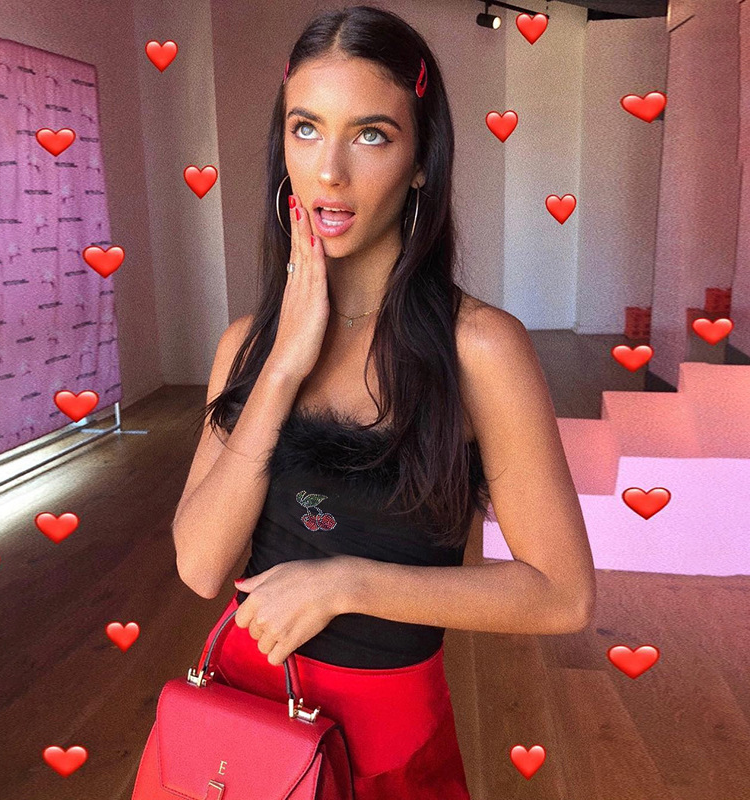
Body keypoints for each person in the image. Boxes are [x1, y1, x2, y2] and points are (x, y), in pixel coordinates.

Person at [172, 6, 596, 798]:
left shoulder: (481, 350)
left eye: (370, 135)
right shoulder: (247, 347)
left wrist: (345, 583)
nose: (329, 171)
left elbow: (562, 594)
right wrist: (282, 367)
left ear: (422, 159)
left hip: (389, 738)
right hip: (245, 718)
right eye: (306, 128)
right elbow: (199, 567)